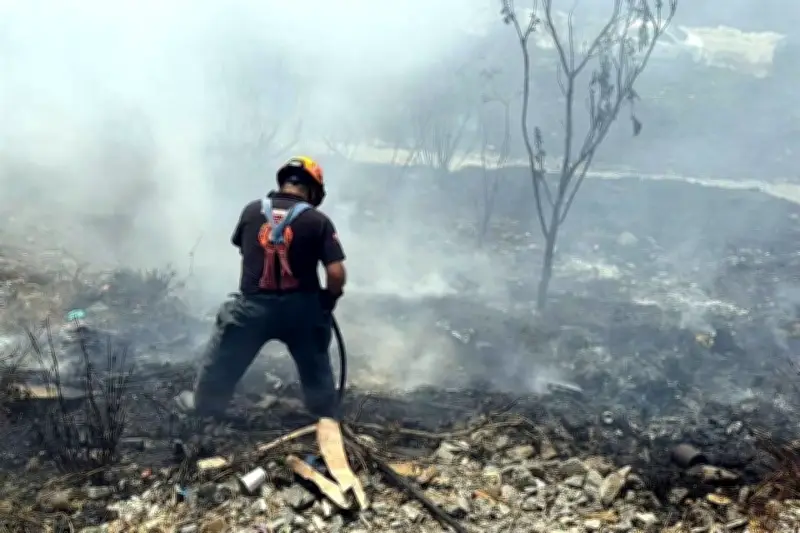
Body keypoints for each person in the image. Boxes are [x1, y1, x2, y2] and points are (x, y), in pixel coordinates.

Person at [174, 156, 347, 419]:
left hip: (253, 308)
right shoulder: (318, 221)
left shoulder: (251, 211)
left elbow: (244, 248)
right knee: (316, 367)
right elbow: (336, 273)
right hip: (301, 311)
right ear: (313, 190)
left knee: (224, 361)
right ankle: (324, 415)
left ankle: (206, 406)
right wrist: (328, 299)